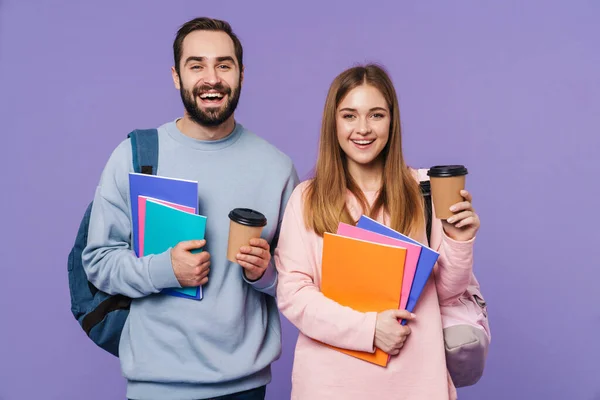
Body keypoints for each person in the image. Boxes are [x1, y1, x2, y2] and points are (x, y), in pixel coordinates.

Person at [82, 17, 298, 400]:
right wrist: (165, 269)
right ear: (176, 76)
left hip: (245, 386)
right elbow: (98, 262)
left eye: (224, 65)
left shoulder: (277, 168)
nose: (211, 78)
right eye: (196, 65)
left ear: (241, 75)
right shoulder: (136, 156)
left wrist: (265, 274)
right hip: (156, 387)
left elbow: (300, 281)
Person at [273, 64, 481, 400]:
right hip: (329, 387)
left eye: (376, 115)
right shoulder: (307, 199)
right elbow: (294, 294)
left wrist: (459, 240)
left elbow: (448, 293)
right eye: (349, 116)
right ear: (333, 123)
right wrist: (369, 330)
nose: (363, 129)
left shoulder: (425, 191)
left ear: (392, 122)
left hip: (417, 385)